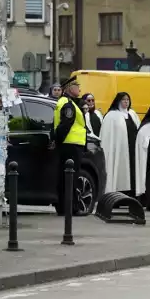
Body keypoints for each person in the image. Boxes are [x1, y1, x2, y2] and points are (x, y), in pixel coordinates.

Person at [52, 76, 87, 216]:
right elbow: (65, 125)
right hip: (71, 144)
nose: (79, 89)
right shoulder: (68, 104)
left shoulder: (64, 102)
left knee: (65, 177)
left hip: (68, 144)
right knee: (71, 177)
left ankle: (64, 207)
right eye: (77, 86)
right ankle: (71, 207)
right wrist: (58, 141)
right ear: (70, 88)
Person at [100, 92, 141, 195]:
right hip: (119, 150)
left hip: (132, 149)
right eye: (123, 100)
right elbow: (108, 136)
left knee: (132, 172)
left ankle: (132, 194)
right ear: (118, 101)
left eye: (128, 99)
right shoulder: (111, 116)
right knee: (120, 171)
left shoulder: (132, 114)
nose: (126, 102)